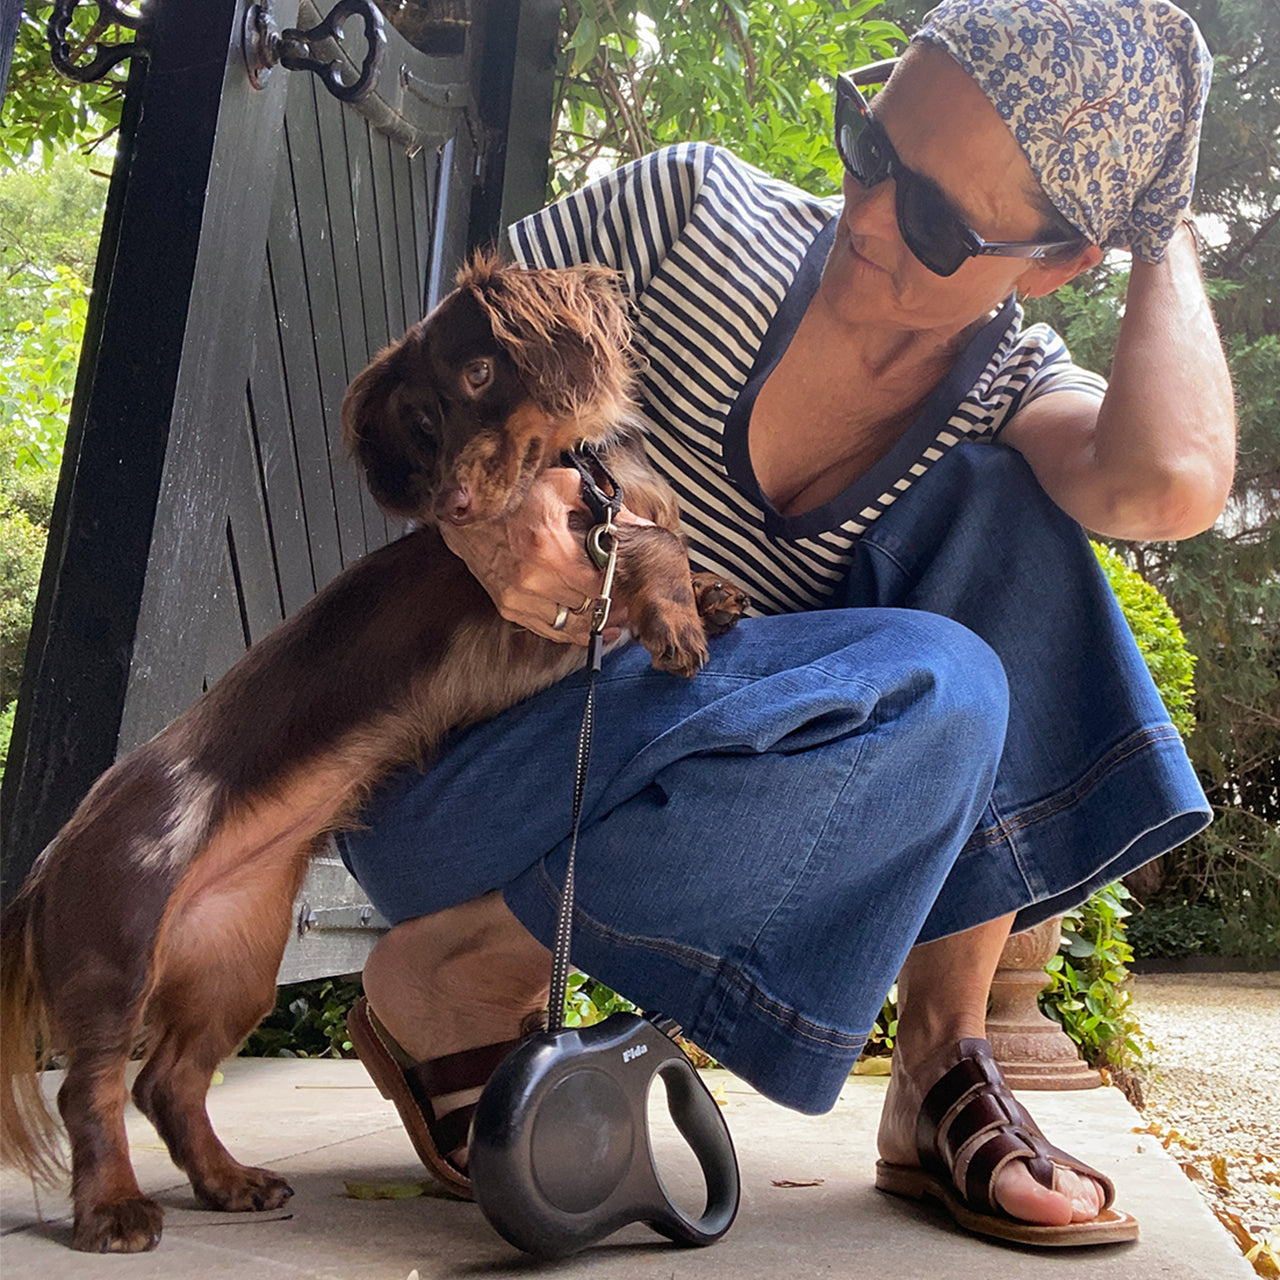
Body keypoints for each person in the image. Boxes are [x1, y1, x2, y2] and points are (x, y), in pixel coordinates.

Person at [336, 0, 1235, 1247]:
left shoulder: (1007, 387)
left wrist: (1159, 220)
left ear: (1055, 261)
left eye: (932, 222)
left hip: (657, 801)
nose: (865, 216)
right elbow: (427, 383)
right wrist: (504, 513)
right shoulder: (685, 211)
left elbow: (1165, 482)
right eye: (868, 145)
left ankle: (938, 1068)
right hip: (451, 784)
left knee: (1004, 534)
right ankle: (463, 971)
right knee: (947, 685)